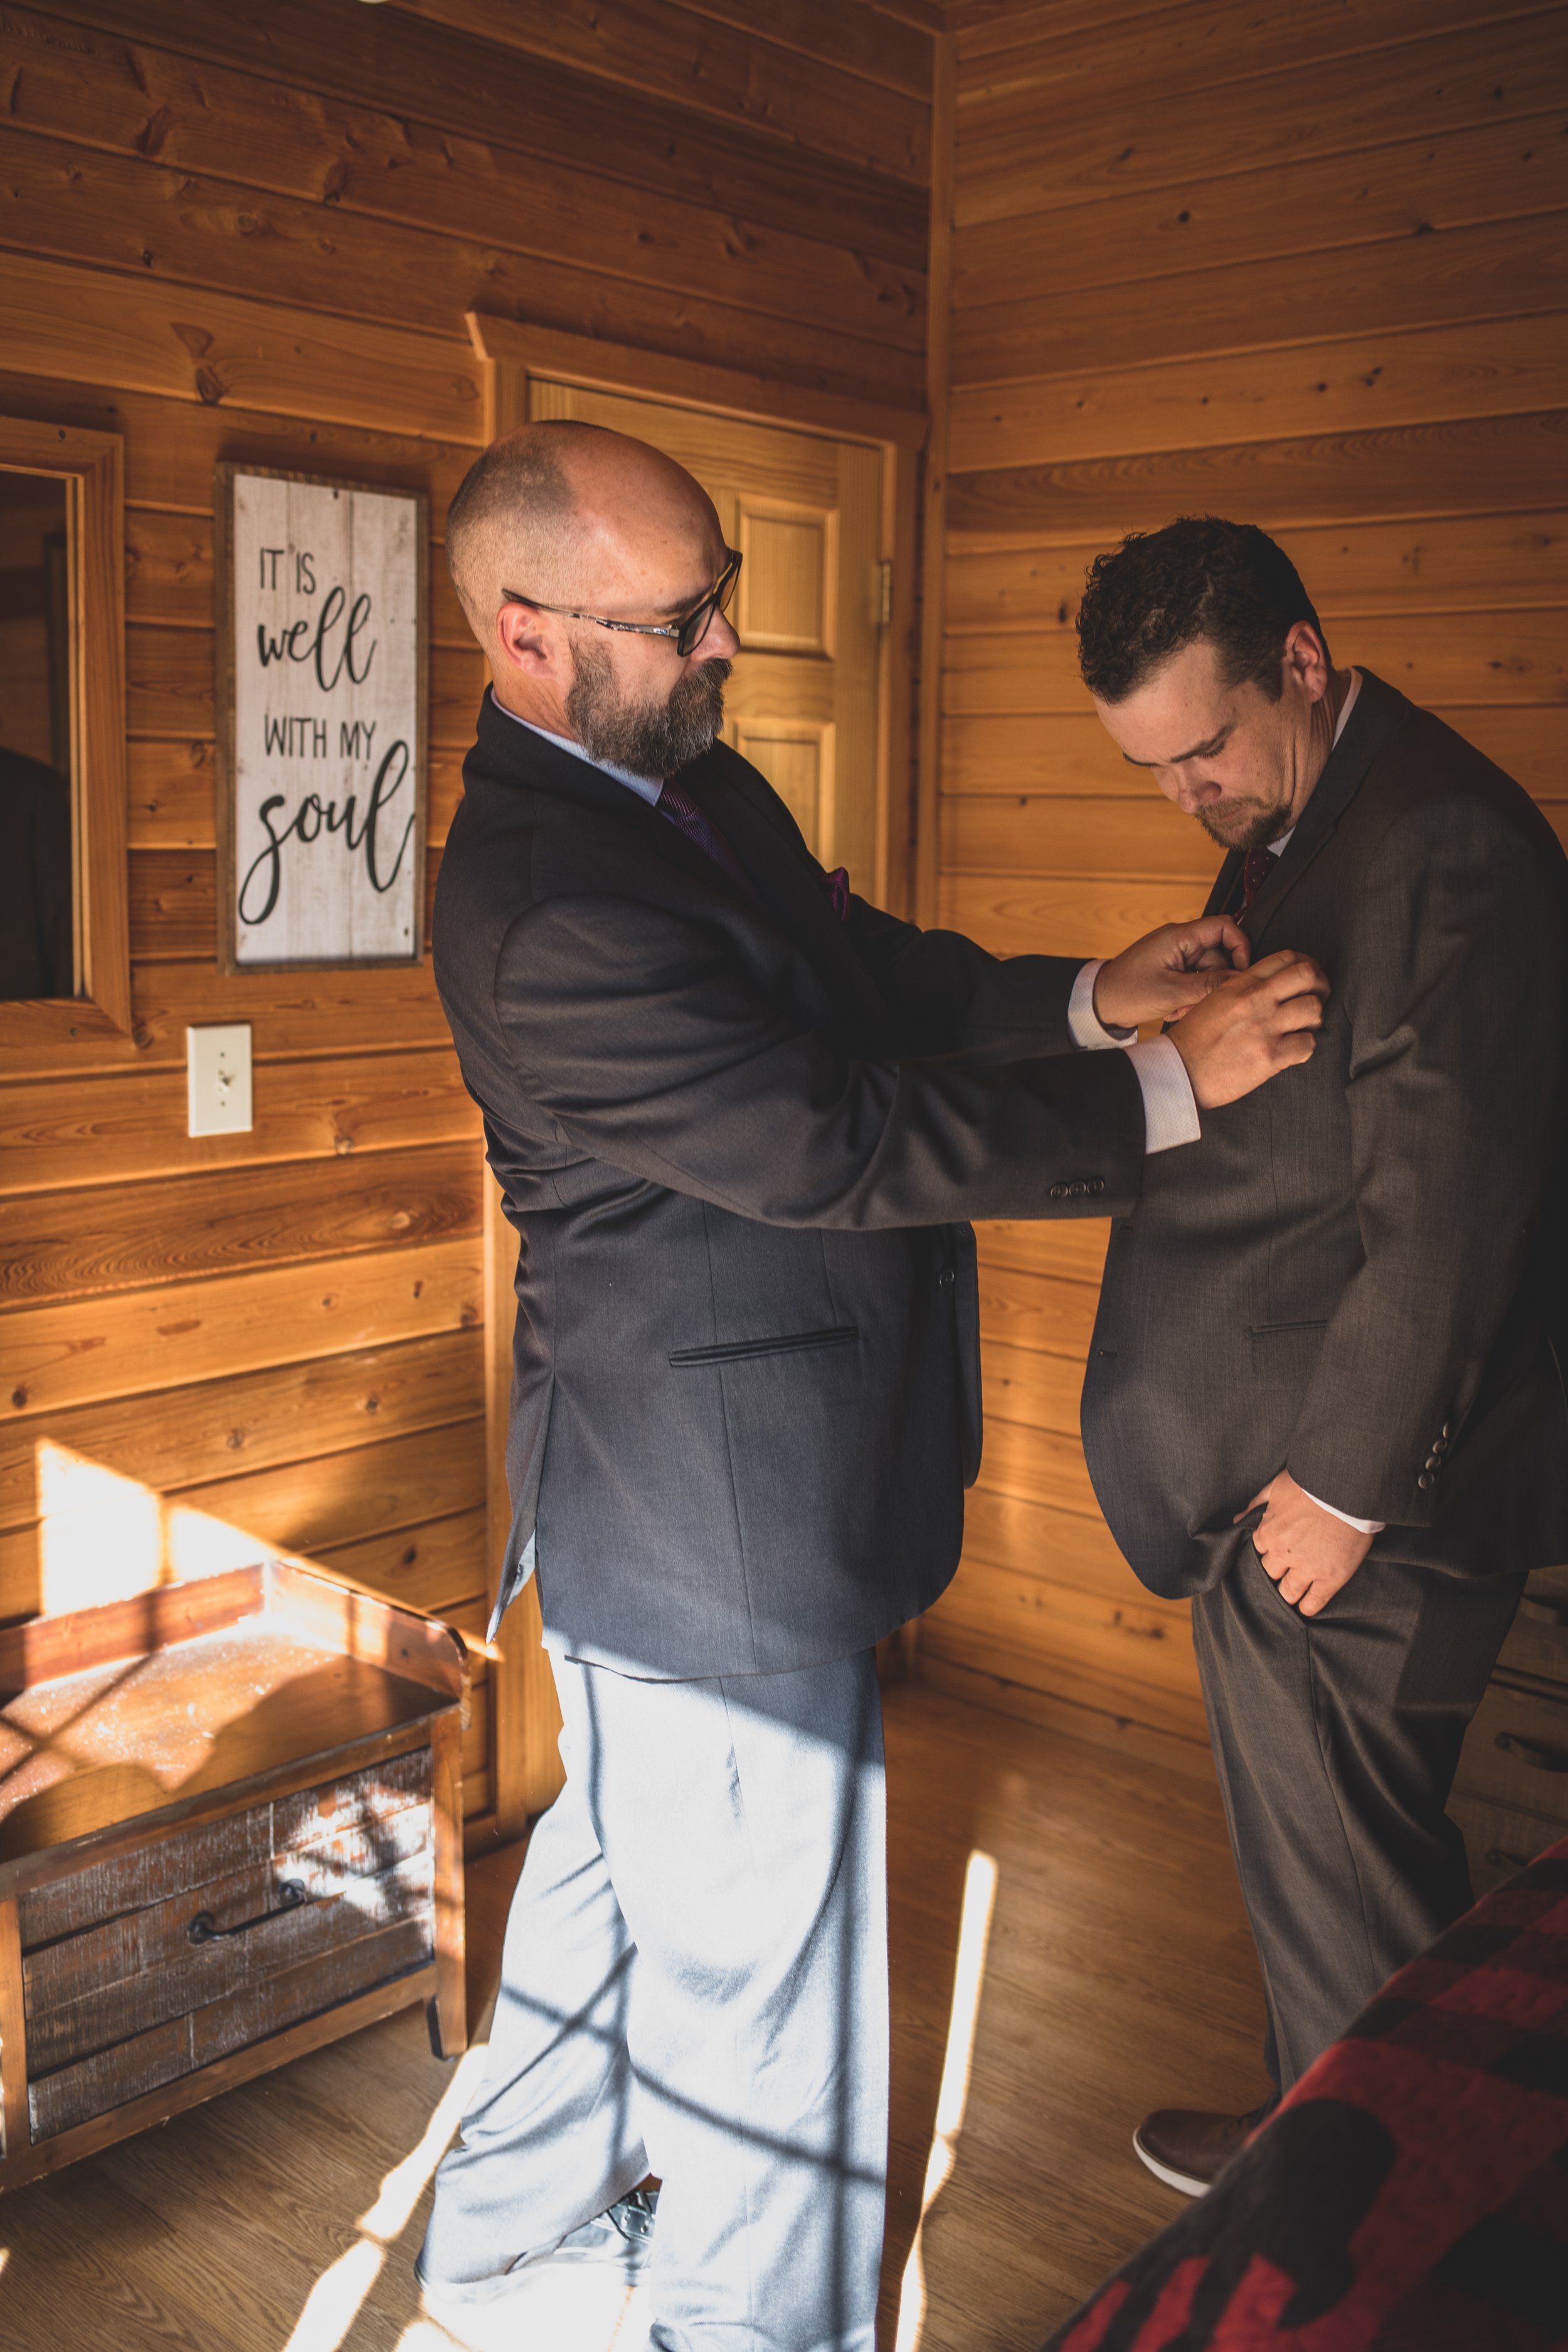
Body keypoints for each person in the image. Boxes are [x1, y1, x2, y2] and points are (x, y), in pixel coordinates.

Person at [417, 426, 1327, 2350]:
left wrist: (1098, 991)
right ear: (524, 637)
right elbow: (827, 1135)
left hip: (664, 1506)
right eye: (682, 616)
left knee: (605, 1900)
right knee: (774, 2010)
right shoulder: (538, 903)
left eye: (720, 584)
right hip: (708, 1521)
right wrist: (1171, 1092)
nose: (730, 636)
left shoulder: (684, 777)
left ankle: (498, 2255)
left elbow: (863, 972)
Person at [1073, 517, 1568, 2198]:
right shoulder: (1299, 810)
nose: (1184, 797)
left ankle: (1401, 2241)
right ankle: (1315, 2141)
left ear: (1298, 660)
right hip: (1280, 1483)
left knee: (1361, 1893)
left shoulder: (1444, 842)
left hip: (1365, 1498)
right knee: (1310, 1875)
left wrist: (1348, 1486)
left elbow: (1456, 1202)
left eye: (1200, 749)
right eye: (1149, 767)